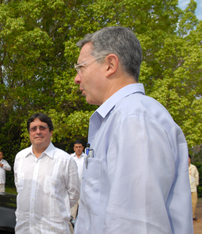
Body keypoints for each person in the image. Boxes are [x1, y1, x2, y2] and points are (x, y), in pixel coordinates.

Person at [73, 27, 193, 233]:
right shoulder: (121, 117)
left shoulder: (134, 119)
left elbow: (138, 223)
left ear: (110, 64)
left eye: (81, 67)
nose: (77, 78)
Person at [14, 113, 80, 233]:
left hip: (53, 230)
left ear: (51, 132)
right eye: (33, 129)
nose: (38, 132)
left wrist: (56, 208)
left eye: (42, 128)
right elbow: (19, 188)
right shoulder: (20, 158)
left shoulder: (65, 160)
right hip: (24, 229)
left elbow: (74, 194)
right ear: (29, 133)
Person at [70, 140, 85, 220]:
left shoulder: (86, 158)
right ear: (74, 148)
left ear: (83, 148)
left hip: (84, 189)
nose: (78, 149)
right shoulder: (70, 158)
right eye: (76, 147)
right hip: (73, 189)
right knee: (72, 212)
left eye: (80, 147)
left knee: (84, 212)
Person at [189, 155, 199, 221]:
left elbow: (196, 176)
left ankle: (192, 216)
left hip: (193, 188)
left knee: (194, 202)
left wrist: (196, 184)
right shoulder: (181, 167)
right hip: (185, 190)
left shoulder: (193, 167)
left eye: (188, 159)